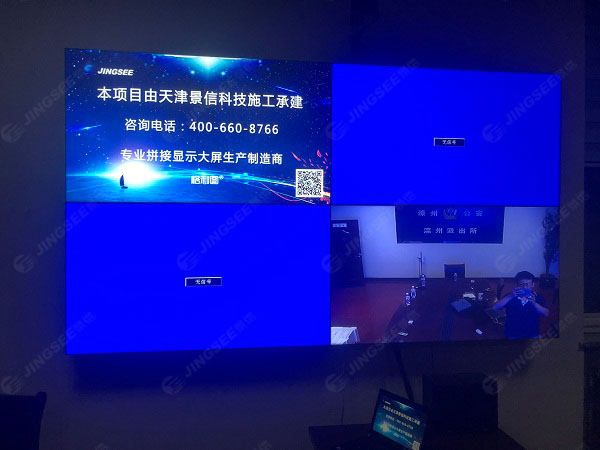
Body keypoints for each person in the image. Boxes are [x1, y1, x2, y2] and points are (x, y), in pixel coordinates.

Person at [492, 271, 549, 339]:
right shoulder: (510, 296)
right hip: (512, 333)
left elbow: (546, 314)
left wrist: (535, 304)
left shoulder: (538, 297)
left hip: (532, 333)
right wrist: (511, 296)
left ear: (532, 285)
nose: (524, 287)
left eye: (528, 284)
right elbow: (495, 307)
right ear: (517, 285)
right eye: (521, 284)